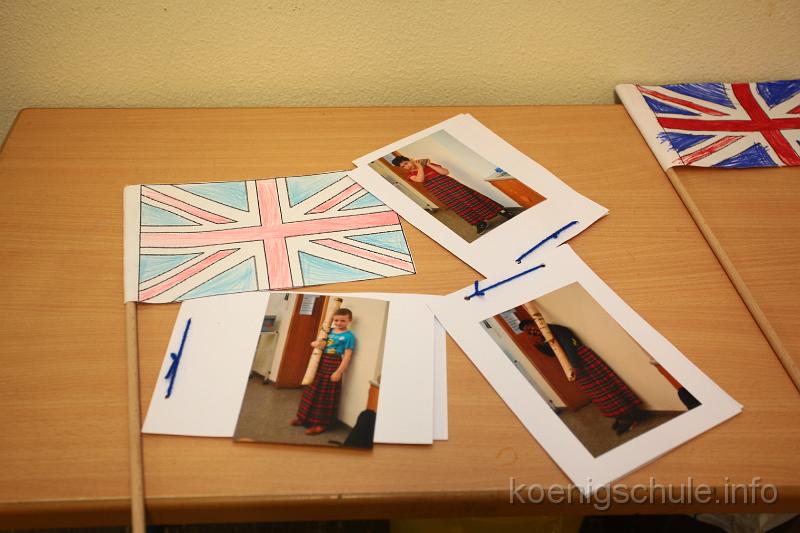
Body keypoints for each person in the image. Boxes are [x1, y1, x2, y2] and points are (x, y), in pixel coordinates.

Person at [518, 319, 643, 435]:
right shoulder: (544, 337)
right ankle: (619, 416)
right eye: (529, 332)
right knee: (597, 394)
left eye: (531, 328)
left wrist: (576, 366)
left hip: (582, 360)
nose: (532, 331)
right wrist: (540, 347)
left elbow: (571, 346)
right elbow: (553, 354)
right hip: (573, 364)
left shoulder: (557, 329)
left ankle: (629, 418)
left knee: (606, 388)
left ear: (536, 322)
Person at [391, 155, 516, 235]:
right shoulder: (410, 175)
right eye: (403, 166)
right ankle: (480, 223)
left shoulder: (428, 166)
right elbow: (420, 179)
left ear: (410, 160)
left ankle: (502, 212)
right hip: (439, 191)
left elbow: (445, 172)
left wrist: (428, 164)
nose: (406, 166)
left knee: (472, 200)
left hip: (452, 185)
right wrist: (419, 168)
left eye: (406, 163)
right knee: (459, 207)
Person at [291, 308, 356, 435]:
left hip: (333, 364)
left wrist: (339, 372)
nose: (338, 323)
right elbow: (318, 343)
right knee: (311, 390)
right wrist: (314, 344)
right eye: (336, 320)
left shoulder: (349, 337)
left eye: (342, 321)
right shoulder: (328, 331)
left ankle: (321, 424)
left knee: (324, 395)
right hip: (319, 361)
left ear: (349, 320)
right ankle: (303, 418)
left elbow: (347, 356)